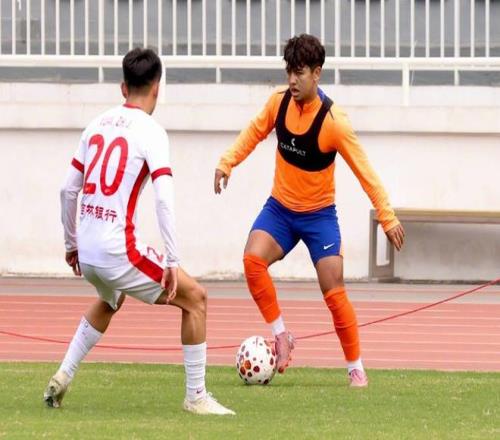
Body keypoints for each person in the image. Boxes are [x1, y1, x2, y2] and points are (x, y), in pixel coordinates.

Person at [44, 48, 234, 415]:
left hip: (88, 251)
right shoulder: (152, 132)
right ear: (157, 88)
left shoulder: (96, 124)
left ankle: (62, 376)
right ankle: (196, 397)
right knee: (196, 299)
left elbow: (67, 190)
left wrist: (71, 245)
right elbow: (164, 199)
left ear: (122, 87)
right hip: (118, 251)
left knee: (111, 299)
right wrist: (172, 260)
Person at [214, 34, 405, 387]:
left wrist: (387, 215)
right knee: (252, 261)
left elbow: (365, 171)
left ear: (317, 73)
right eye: (289, 71)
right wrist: (227, 162)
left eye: (299, 72)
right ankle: (281, 335)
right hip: (280, 211)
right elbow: (253, 133)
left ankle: (355, 367)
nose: (292, 80)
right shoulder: (278, 104)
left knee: (333, 289)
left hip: (319, 217)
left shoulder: (334, 122)